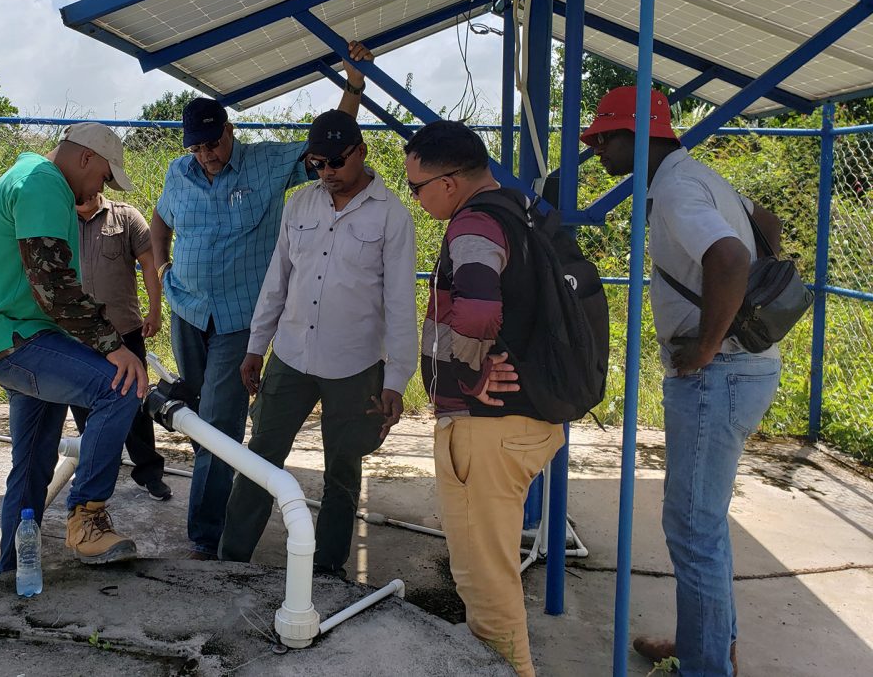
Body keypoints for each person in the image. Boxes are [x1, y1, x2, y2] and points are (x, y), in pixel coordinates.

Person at [583, 86, 781, 677]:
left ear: (637, 137)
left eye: (603, 139)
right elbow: (763, 224)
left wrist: (707, 344)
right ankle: (708, 644)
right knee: (705, 522)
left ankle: (705, 666)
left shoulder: (671, 189)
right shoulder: (697, 175)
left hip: (717, 375)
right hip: (748, 367)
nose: (598, 152)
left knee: (692, 528)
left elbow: (729, 257)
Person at [149, 41, 372, 560]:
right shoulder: (177, 174)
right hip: (187, 311)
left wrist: (353, 86)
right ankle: (214, 517)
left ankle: (209, 535)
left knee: (222, 420)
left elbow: (330, 142)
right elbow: (160, 220)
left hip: (236, 321)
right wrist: (161, 271)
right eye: (196, 147)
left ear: (230, 132)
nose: (204, 154)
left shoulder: (267, 163)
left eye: (211, 143)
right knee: (201, 412)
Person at [219, 110, 418, 577]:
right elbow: (277, 280)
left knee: (344, 470)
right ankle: (231, 563)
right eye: (317, 162)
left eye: (335, 161)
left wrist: (396, 379)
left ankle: (328, 571)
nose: (326, 171)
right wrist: (256, 346)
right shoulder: (300, 205)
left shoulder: (392, 216)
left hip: (356, 365)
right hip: (290, 355)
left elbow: (400, 302)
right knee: (260, 458)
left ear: (361, 152)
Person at [404, 120, 560, 677]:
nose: (416, 198)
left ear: (448, 181)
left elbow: (474, 304)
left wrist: (469, 375)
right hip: (528, 423)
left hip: (485, 428)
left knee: (485, 584)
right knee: (493, 572)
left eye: (415, 187)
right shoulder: (521, 209)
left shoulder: (472, 224)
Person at [0, 123, 148, 572]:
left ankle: (11, 568)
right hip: (19, 340)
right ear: (86, 158)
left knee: (31, 465)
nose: (101, 188)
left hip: (12, 337)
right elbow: (53, 284)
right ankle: (87, 518)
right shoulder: (44, 183)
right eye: (104, 176)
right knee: (119, 386)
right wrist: (114, 347)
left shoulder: (30, 177)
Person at [68, 190, 171, 501]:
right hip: (78, 336)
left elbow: (150, 264)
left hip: (124, 332)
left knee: (136, 405)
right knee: (85, 409)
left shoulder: (125, 217)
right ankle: (95, 479)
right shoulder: (57, 218)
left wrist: (154, 310)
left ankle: (150, 474)